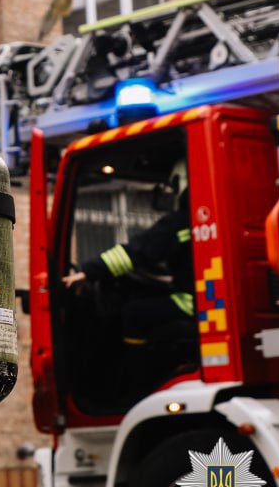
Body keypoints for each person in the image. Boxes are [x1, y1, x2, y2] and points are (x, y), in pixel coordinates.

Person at [62, 159, 196, 397]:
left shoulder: (180, 222)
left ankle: (137, 384)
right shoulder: (205, 217)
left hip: (191, 304)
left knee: (134, 314)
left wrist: (90, 271)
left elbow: (136, 252)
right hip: (204, 303)